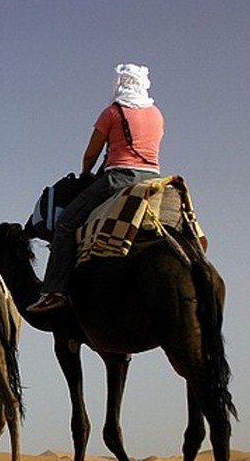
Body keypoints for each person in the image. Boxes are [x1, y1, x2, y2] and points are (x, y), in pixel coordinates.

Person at [28, 63, 165, 313]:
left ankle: (55, 291)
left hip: (118, 180)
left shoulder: (112, 112)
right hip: (153, 180)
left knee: (67, 224)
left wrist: (86, 173)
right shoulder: (157, 114)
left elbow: (91, 155)